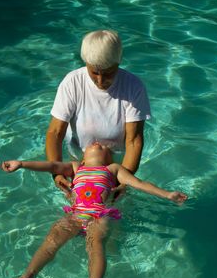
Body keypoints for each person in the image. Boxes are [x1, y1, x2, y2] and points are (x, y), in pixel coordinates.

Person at [0, 143, 187, 278]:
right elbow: (51, 166)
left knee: (95, 245)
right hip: (75, 215)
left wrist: (167, 194)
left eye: (105, 147)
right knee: (52, 240)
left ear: (109, 158)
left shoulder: (113, 169)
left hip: (100, 215)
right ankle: (31, 274)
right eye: (94, 143)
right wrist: (22, 163)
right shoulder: (76, 167)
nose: (99, 143)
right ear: (83, 156)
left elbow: (138, 183)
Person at [46, 29, 151, 194]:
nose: (100, 80)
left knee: (108, 214)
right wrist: (57, 173)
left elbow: (134, 140)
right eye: (94, 72)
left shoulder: (133, 87)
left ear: (118, 62)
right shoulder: (72, 82)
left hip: (116, 163)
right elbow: (55, 132)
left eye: (108, 73)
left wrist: (123, 181)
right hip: (78, 160)